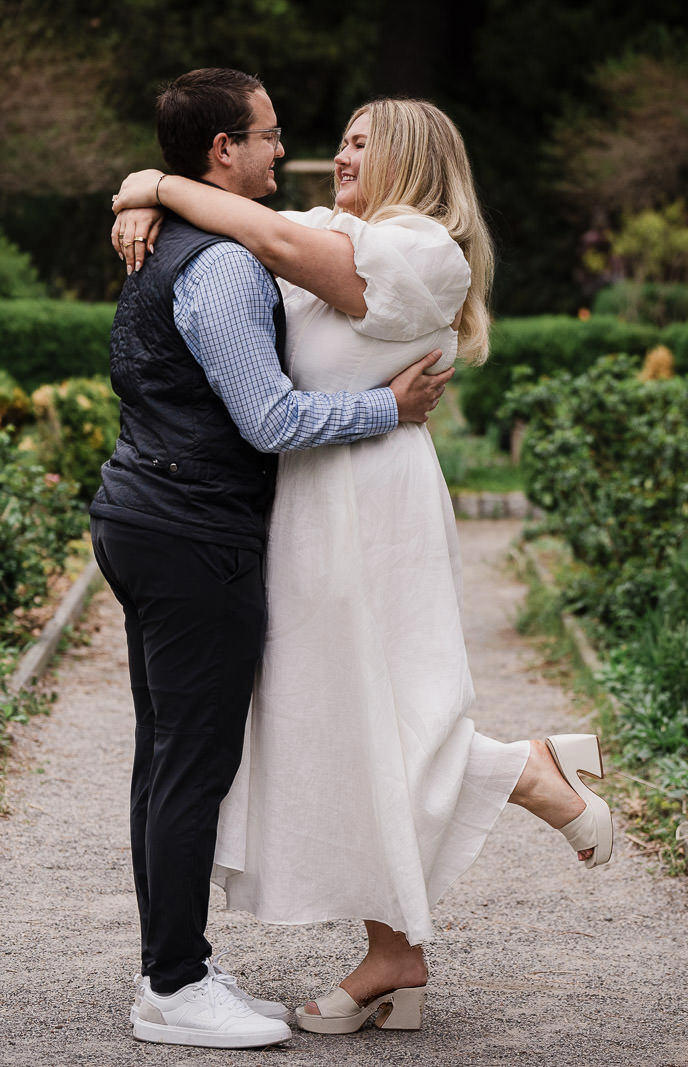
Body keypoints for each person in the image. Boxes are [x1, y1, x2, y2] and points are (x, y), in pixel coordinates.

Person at [109, 95, 614, 1038]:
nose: (335, 155)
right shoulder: (333, 230)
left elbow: (259, 230)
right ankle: (395, 953)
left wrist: (158, 186)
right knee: (332, 723)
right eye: (338, 140)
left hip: (372, 502)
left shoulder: (426, 252)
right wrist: (141, 193)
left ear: (412, 159)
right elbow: (250, 227)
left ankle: (521, 771)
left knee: (388, 709)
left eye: (358, 143)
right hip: (307, 500)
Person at [89, 69, 454, 1050]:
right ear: (224, 150)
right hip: (191, 528)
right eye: (268, 136)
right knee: (190, 765)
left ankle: (177, 965)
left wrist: (145, 189)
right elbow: (271, 420)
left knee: (166, 757)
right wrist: (389, 407)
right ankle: (172, 987)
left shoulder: (192, 238)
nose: (284, 152)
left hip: (149, 511)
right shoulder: (222, 266)